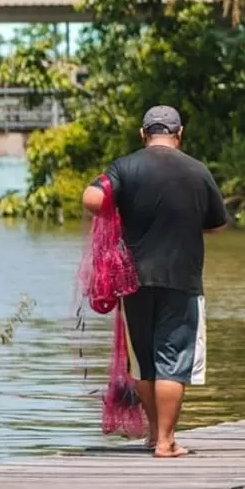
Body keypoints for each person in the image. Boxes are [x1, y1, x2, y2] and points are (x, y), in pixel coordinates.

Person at [81, 106, 228, 458]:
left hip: (134, 280)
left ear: (143, 133)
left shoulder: (125, 167)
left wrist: (119, 214)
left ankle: (152, 434)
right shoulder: (197, 170)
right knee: (173, 362)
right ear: (179, 134)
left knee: (144, 363)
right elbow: (217, 223)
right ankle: (166, 441)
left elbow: (92, 197)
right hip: (182, 279)